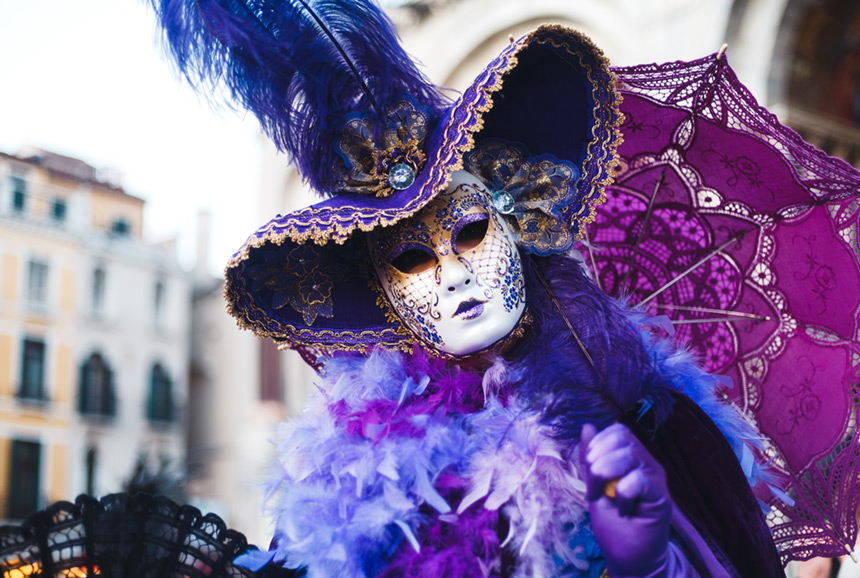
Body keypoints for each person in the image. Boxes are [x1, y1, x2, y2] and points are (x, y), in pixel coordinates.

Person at [149, 0, 787, 576]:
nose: (453, 273)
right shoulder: (352, 480)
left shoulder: (654, 416)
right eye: (411, 260)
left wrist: (650, 566)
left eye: (472, 230)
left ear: (517, 220)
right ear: (384, 298)